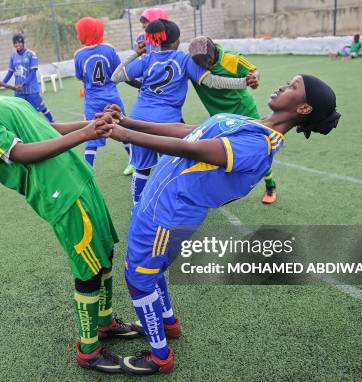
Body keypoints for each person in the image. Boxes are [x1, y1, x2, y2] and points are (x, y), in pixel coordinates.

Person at [95, 74, 340, 375]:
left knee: (139, 278)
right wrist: (129, 122)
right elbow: (189, 133)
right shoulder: (255, 124)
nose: (282, 86)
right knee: (149, 270)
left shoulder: (260, 146)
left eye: (292, 87)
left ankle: (160, 357)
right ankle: (168, 324)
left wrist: (124, 135)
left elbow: (192, 150)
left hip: (169, 215)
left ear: (303, 109)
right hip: (157, 202)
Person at [0, 79, 142, 374]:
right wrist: (87, 133)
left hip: (76, 174)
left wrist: (92, 123)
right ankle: (89, 349)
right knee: (89, 268)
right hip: (58, 189)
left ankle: (105, 323)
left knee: (104, 253)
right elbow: (19, 153)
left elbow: (44, 130)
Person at [111, 19, 256, 205]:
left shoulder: (146, 59)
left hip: (138, 119)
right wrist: (243, 82)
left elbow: (116, 77)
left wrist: (135, 54)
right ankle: (172, 204)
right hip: (167, 123)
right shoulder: (184, 59)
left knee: (141, 169)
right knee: (173, 166)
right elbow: (213, 81)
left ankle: (137, 209)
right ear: (177, 41)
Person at [188, 36, 278, 204]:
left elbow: (254, 71)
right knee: (222, 153)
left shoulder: (231, 59)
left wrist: (253, 79)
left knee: (259, 150)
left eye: (207, 61)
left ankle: (270, 185)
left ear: (213, 53)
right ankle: (223, 189)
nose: (204, 66)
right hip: (219, 115)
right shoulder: (192, 64)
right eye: (200, 63)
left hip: (243, 109)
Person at [73, 17, 132, 174]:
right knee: (124, 129)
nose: (78, 36)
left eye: (79, 33)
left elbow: (80, 76)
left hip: (92, 101)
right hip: (112, 98)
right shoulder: (109, 50)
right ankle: (134, 162)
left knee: (91, 135)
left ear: (85, 33)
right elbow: (118, 71)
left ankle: (88, 171)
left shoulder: (79, 55)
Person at [2, 34, 54, 123]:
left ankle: (53, 122)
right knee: (20, 110)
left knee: (41, 107)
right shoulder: (13, 56)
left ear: (23, 43)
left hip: (31, 90)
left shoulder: (31, 54)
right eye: (16, 43)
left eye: (20, 42)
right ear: (13, 44)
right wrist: (1, 83)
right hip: (19, 91)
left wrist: (24, 84)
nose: (18, 45)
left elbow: (33, 72)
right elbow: (10, 72)